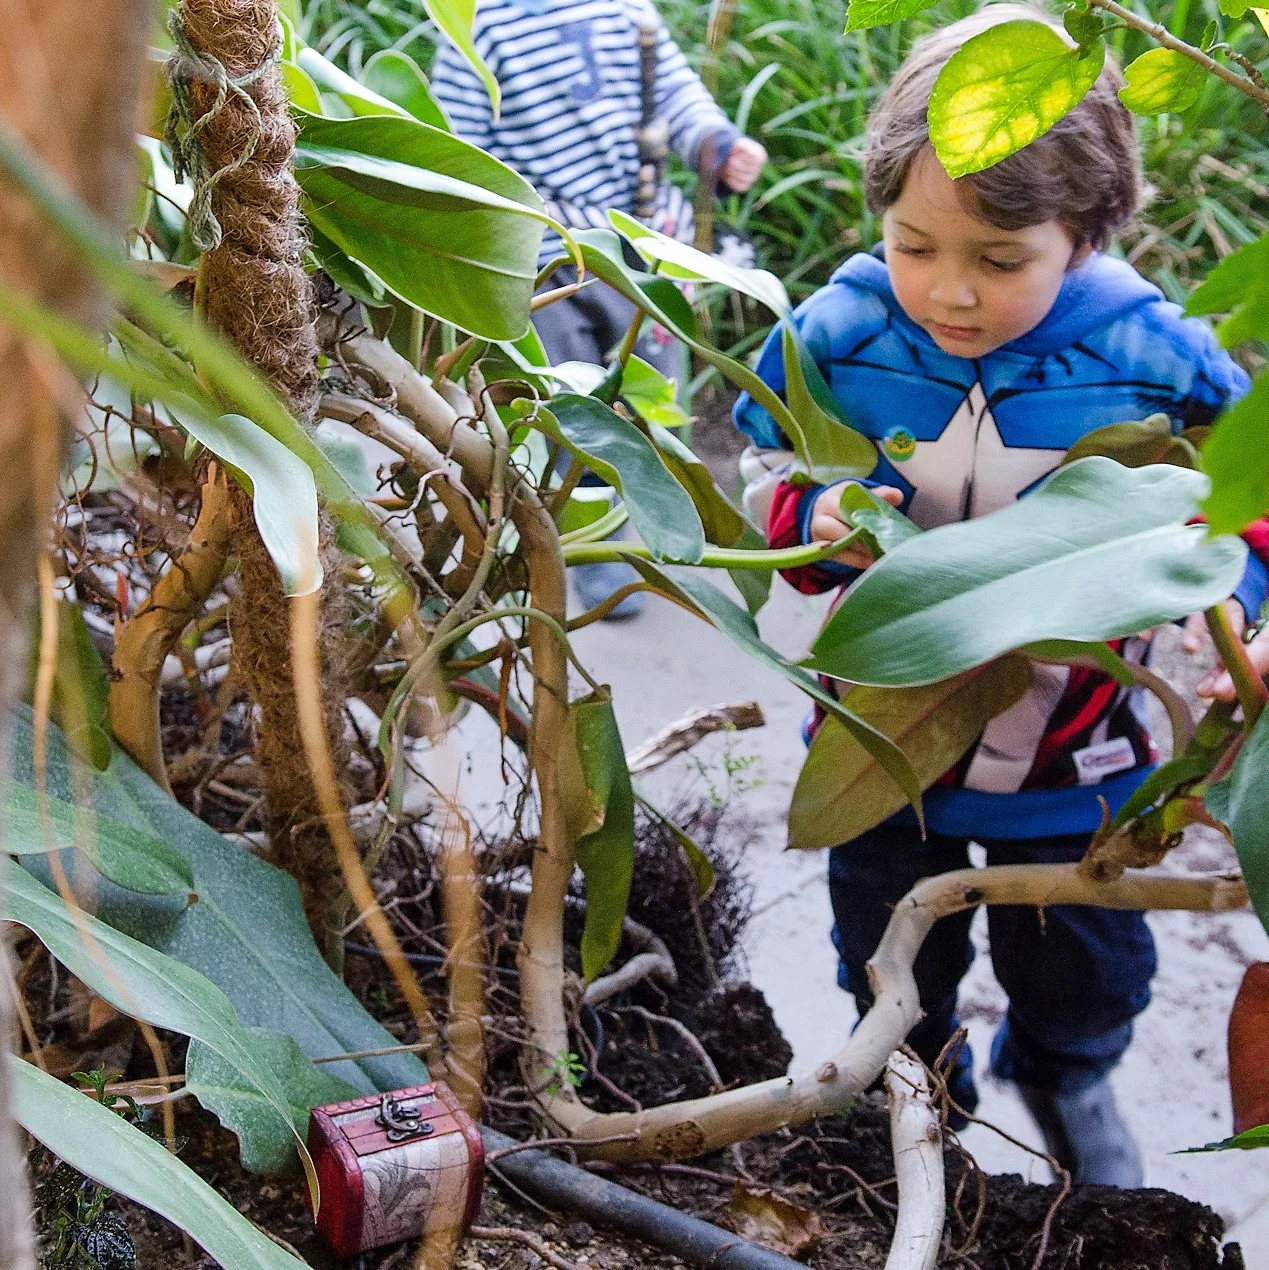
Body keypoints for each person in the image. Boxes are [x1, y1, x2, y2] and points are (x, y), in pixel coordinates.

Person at [733, 2, 1268, 1187]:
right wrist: (806, 523)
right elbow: (770, 464)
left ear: (1085, 232)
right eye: (915, 244)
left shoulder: (1157, 354)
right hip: (881, 745)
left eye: (999, 259)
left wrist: (1254, 613)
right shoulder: (834, 335)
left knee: (1087, 967)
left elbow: (1251, 498)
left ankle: (1065, 1074)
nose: (950, 293)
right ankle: (920, 1102)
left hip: (1081, 759)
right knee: (885, 952)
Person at [432, 0, 766, 618]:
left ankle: (635, 513)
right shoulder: (480, 26)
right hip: (548, 254)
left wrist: (716, 145)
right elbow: (456, 150)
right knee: (573, 407)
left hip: (638, 240)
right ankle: (579, 541)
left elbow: (674, 90)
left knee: (644, 399)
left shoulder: (624, 9)